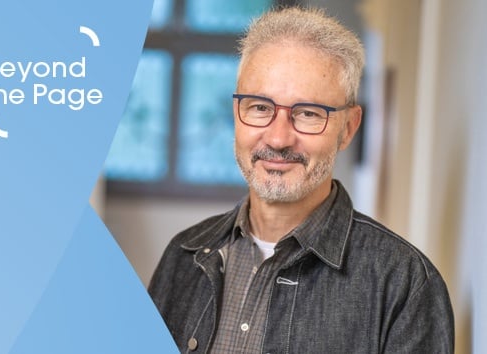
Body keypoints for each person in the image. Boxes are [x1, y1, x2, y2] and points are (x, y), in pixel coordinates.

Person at [148, 6, 454, 354]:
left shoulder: (404, 284)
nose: (278, 139)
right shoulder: (182, 256)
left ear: (348, 128)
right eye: (260, 107)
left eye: (308, 114)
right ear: (237, 114)